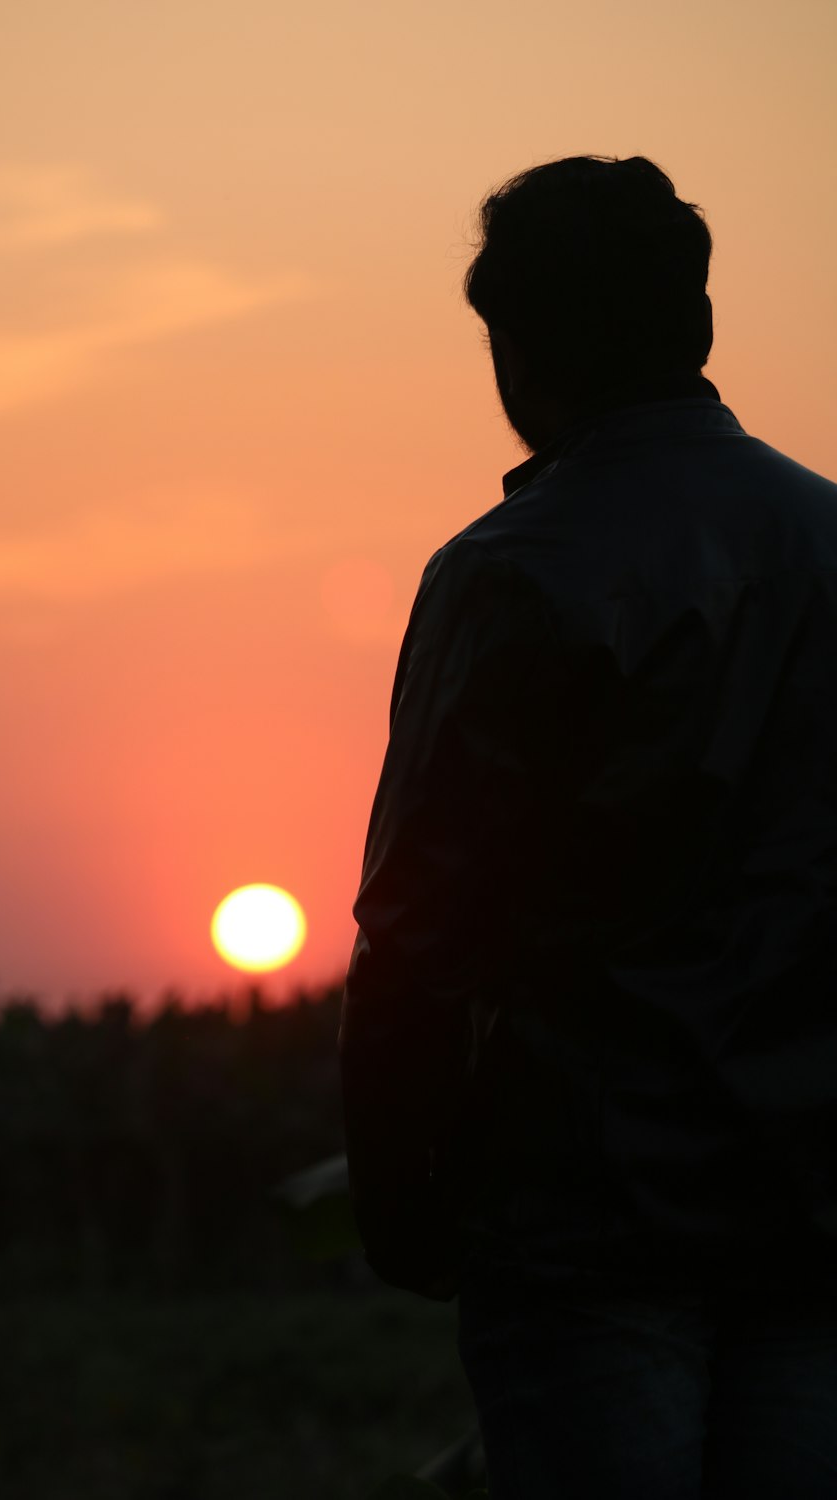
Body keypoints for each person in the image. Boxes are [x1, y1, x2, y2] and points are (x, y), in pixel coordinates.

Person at [337, 153, 837, 1497]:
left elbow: (419, 933)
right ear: (699, 325)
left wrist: (401, 1202)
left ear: (520, 346)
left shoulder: (512, 574)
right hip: (809, 1218)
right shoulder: (824, 541)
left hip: (584, 1230)